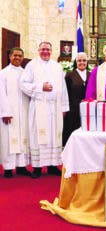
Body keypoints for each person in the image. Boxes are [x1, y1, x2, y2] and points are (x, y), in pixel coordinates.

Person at [20, 41, 69, 178]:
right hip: (39, 107)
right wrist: (41, 87)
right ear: (38, 50)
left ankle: (53, 165)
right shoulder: (31, 65)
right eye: (43, 49)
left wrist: (64, 107)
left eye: (48, 49)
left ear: (51, 51)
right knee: (38, 136)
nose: (45, 52)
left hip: (55, 107)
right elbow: (23, 84)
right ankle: (37, 167)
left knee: (54, 136)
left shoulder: (57, 66)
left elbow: (63, 88)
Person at [0, 47, 31, 178]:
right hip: (9, 114)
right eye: (15, 55)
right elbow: (1, 94)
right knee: (8, 140)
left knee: (23, 138)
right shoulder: (3, 73)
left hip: (23, 112)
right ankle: (8, 168)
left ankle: (21, 166)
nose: (17, 58)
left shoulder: (25, 73)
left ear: (23, 58)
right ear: (10, 56)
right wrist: (5, 112)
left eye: (20, 56)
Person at [62, 52, 90, 146]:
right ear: (76, 62)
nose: (82, 62)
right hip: (73, 110)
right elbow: (65, 93)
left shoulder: (91, 75)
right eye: (79, 60)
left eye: (84, 60)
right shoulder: (69, 75)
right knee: (73, 133)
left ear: (87, 62)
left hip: (88, 109)